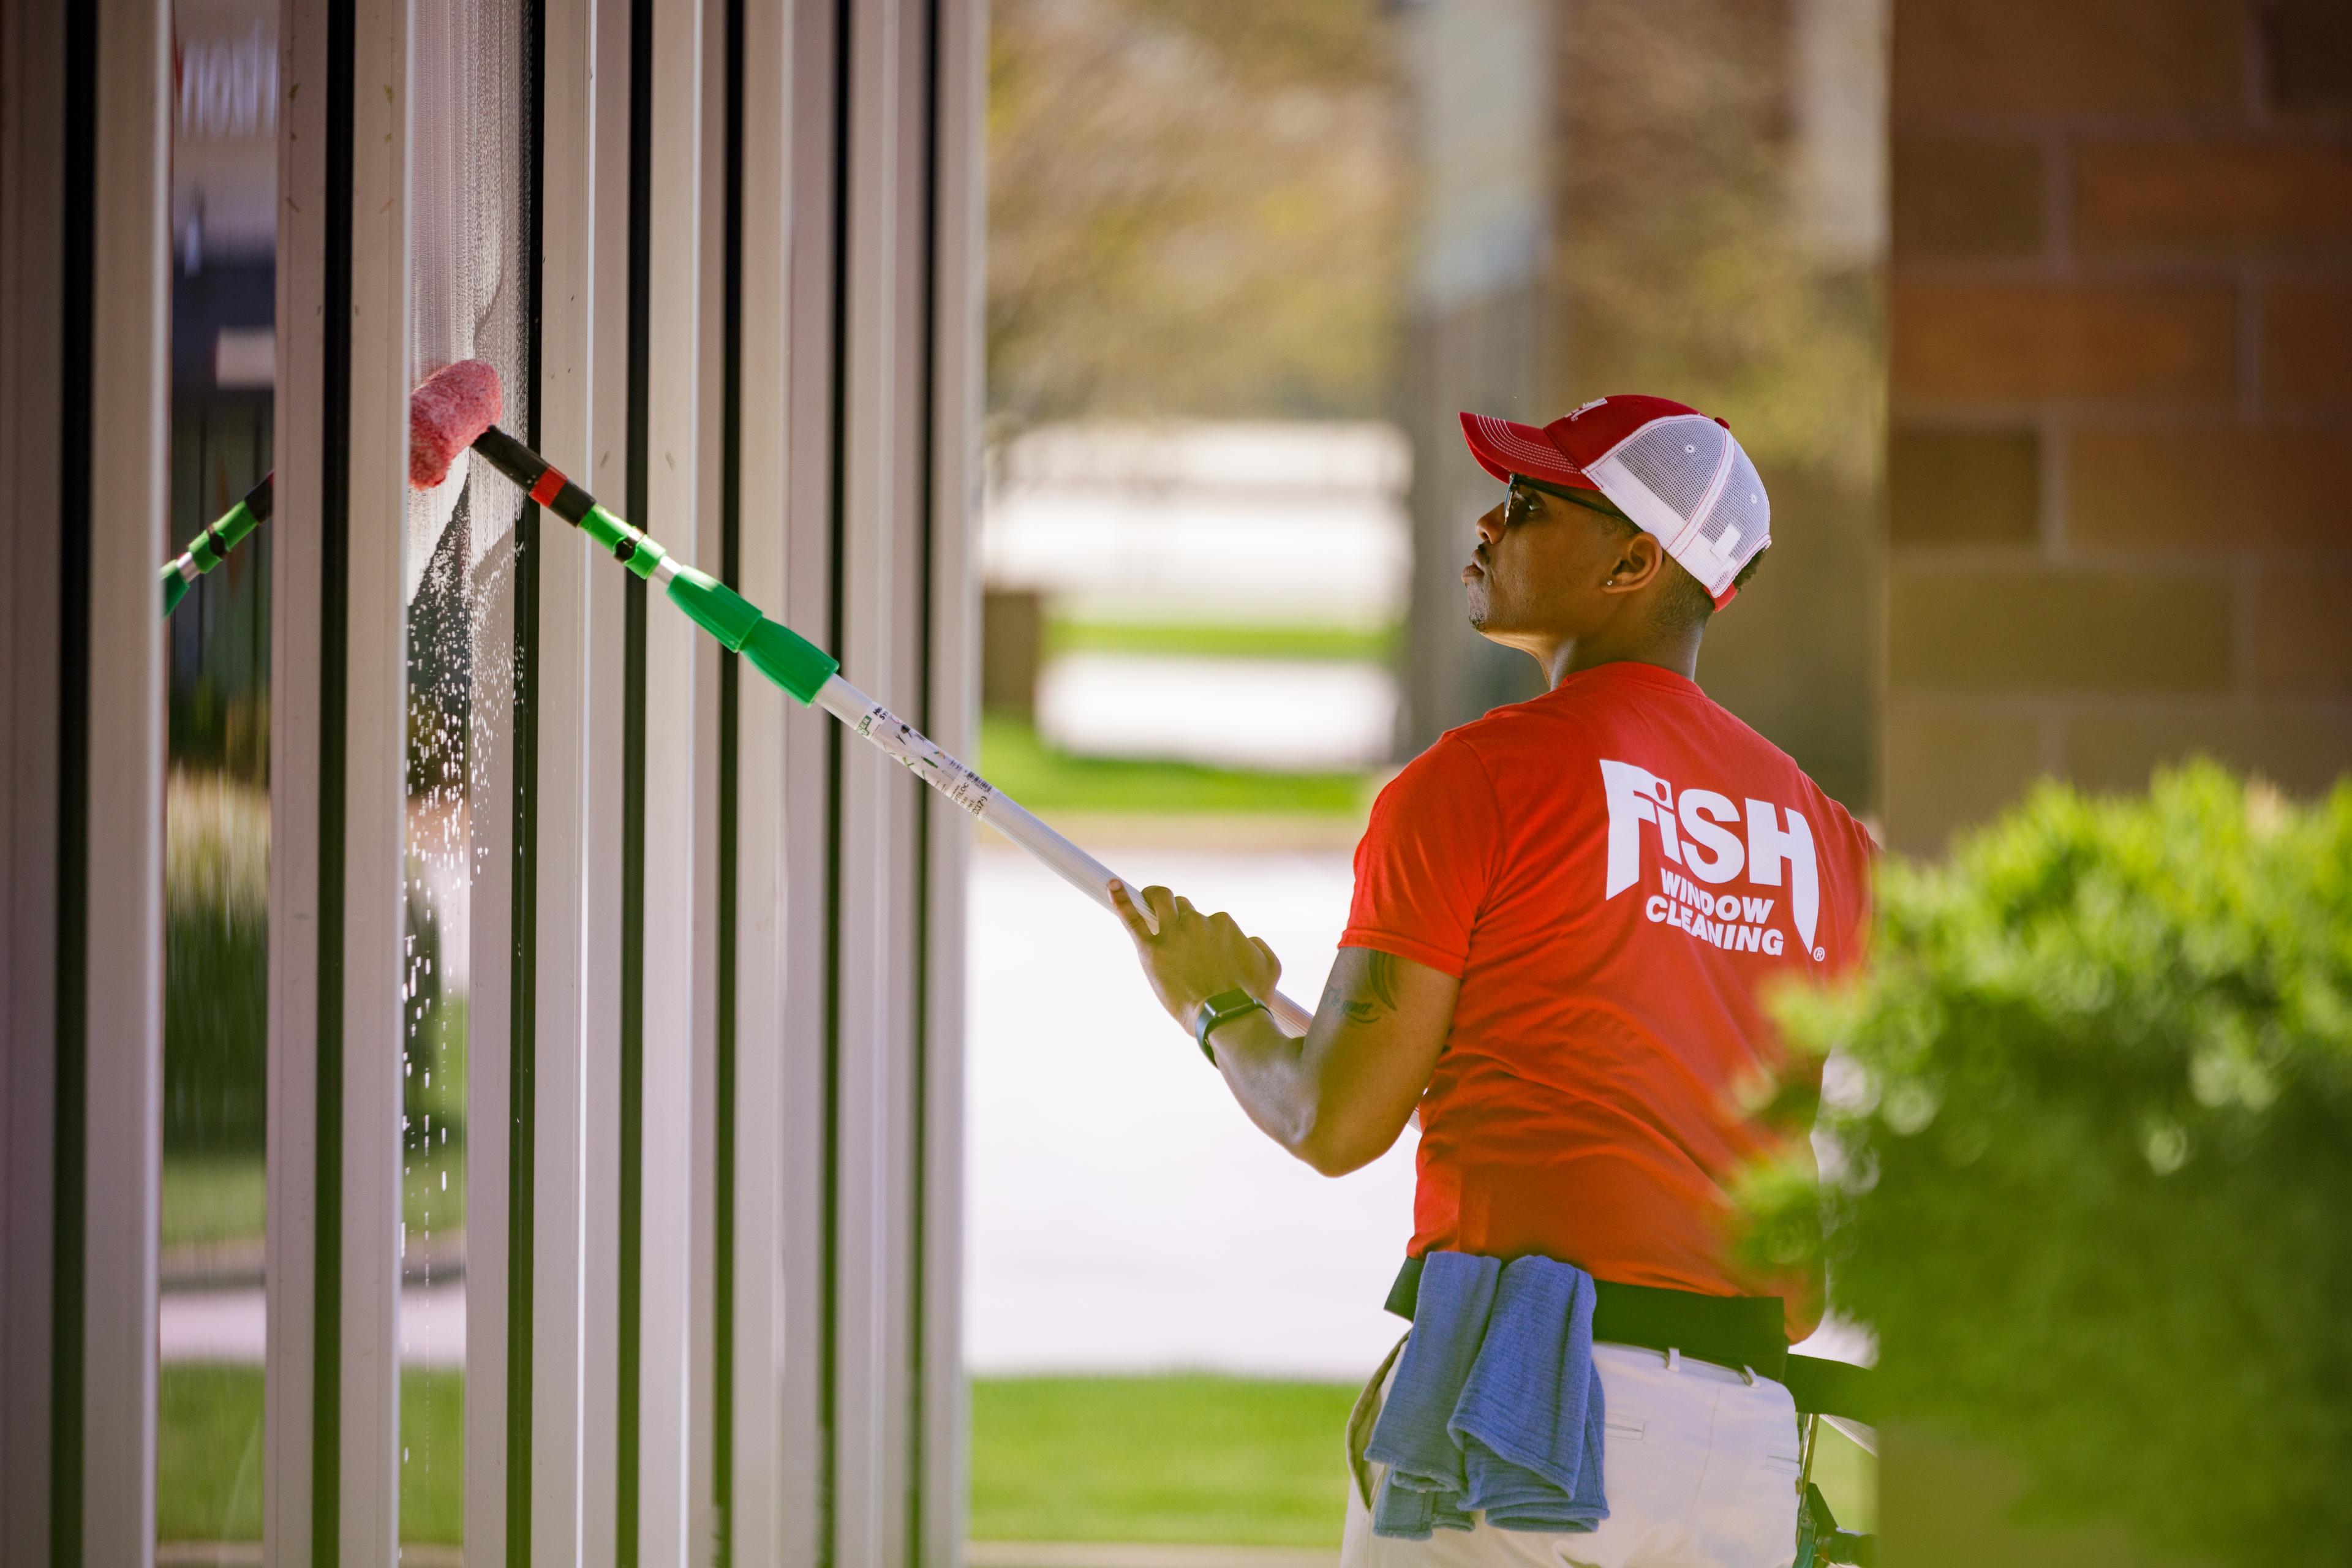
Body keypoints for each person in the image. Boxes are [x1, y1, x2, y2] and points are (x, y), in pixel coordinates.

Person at [1110, 396, 1877, 1568]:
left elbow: (1332, 1120)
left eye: (1527, 504)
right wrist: (1273, 1006)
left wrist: (1206, 1004)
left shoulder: (1477, 777)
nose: (1487, 520)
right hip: (1744, 1446)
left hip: (1521, 1414)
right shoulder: (1825, 838)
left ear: (1635, 558)